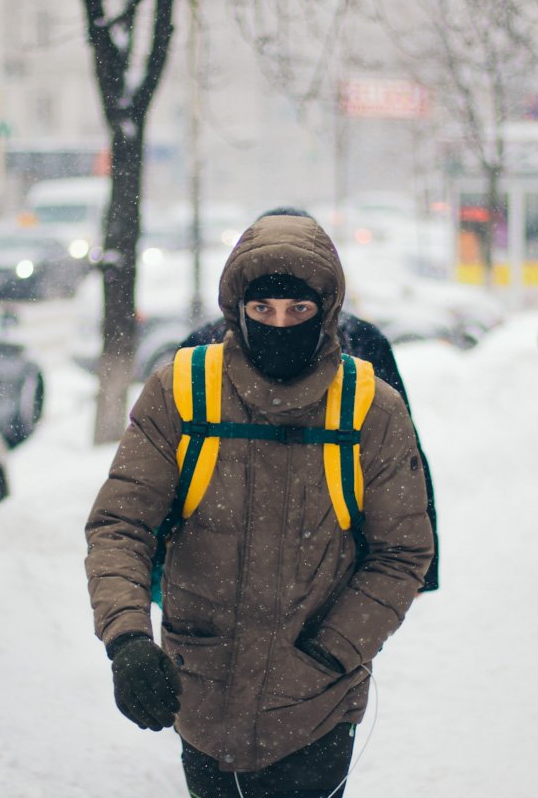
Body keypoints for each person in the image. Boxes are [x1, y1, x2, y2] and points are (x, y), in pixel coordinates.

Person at [84, 213, 434, 797]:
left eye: (297, 311)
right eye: (262, 309)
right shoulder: (183, 390)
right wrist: (127, 641)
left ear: (325, 311)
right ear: (236, 307)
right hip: (201, 692)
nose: (279, 324)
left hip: (318, 707)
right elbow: (121, 525)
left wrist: (328, 654)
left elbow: (402, 553)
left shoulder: (371, 409)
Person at [180, 206, 440, 593]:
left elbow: (398, 453)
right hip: (225, 587)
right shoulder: (200, 354)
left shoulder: (204, 343)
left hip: (320, 584)